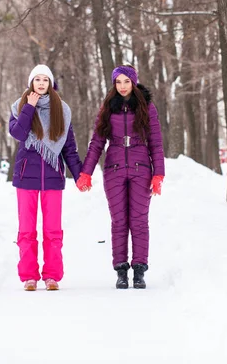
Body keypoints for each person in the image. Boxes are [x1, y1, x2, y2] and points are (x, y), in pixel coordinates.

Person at [76, 65, 165, 289]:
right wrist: (86, 172)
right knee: (119, 221)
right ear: (114, 84)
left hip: (141, 168)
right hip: (114, 168)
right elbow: (97, 142)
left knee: (139, 220)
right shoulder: (108, 108)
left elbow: (155, 142)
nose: (122, 86)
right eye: (118, 82)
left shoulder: (147, 107)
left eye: (126, 81)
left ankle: (139, 270)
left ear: (133, 82)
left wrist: (158, 173)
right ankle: (121, 270)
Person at [9, 64, 82, 291]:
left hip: (53, 177)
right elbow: (18, 133)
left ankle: (52, 276)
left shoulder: (62, 110)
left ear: (51, 84)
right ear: (31, 83)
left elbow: (69, 147)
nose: (41, 83)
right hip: (25, 177)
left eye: (45, 80)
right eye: (37, 79)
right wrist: (29, 107)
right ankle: (29, 276)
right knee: (27, 230)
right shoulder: (19, 107)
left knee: (52, 230)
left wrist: (79, 175)